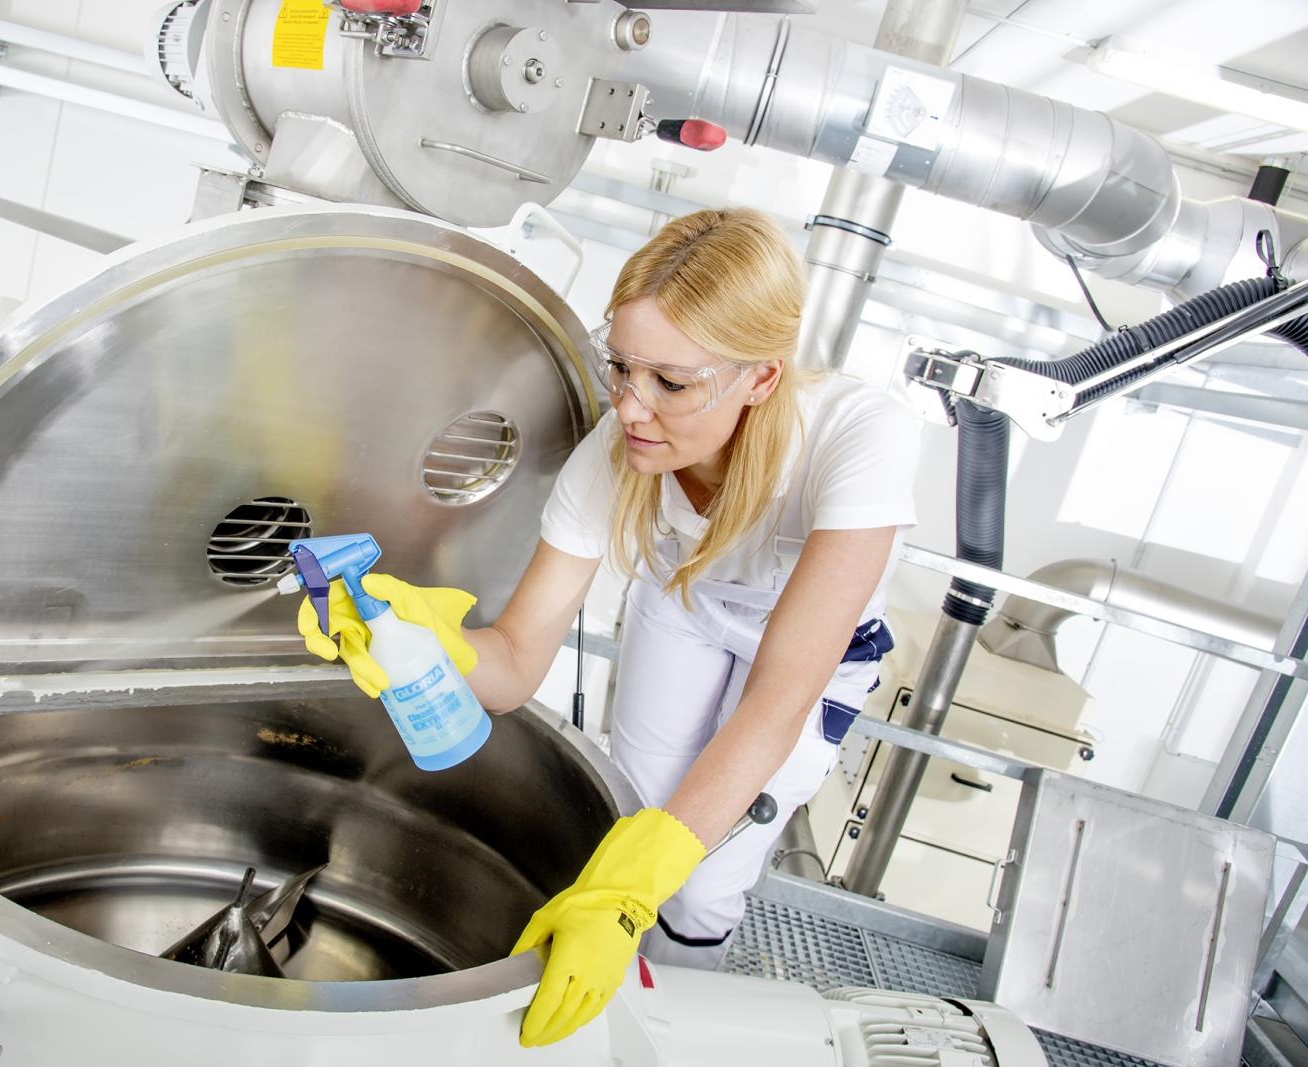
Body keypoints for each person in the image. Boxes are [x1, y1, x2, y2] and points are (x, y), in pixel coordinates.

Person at [297, 206, 921, 1047]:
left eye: (672, 383)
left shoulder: (858, 439)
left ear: (761, 378)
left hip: (810, 653)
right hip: (688, 603)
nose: (630, 407)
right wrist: (419, 632)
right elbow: (513, 664)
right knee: (633, 812)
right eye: (621, 366)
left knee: (700, 880)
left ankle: (667, 1023)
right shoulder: (616, 456)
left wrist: (633, 891)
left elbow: (777, 702)